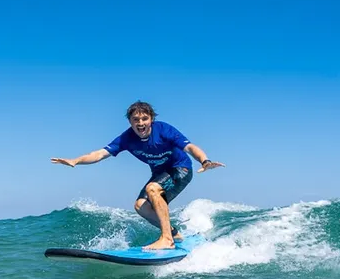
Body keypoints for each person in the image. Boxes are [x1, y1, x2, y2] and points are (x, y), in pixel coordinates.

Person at [51, 101, 224, 250]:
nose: (140, 123)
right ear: (130, 122)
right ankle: (174, 234)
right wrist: (76, 160)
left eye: (144, 119)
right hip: (159, 173)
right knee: (141, 205)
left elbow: (190, 147)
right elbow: (99, 154)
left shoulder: (164, 130)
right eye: (135, 119)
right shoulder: (126, 138)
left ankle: (167, 240)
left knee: (153, 189)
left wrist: (204, 161)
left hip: (181, 169)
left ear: (151, 119)